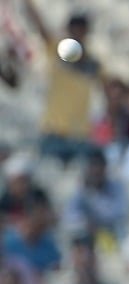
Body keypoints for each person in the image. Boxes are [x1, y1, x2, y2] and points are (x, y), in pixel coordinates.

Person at [22, 0, 103, 163]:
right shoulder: (58, 50)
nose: (78, 33)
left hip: (80, 134)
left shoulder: (94, 63)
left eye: (82, 29)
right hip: (54, 131)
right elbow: (40, 27)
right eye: (75, 29)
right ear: (69, 30)